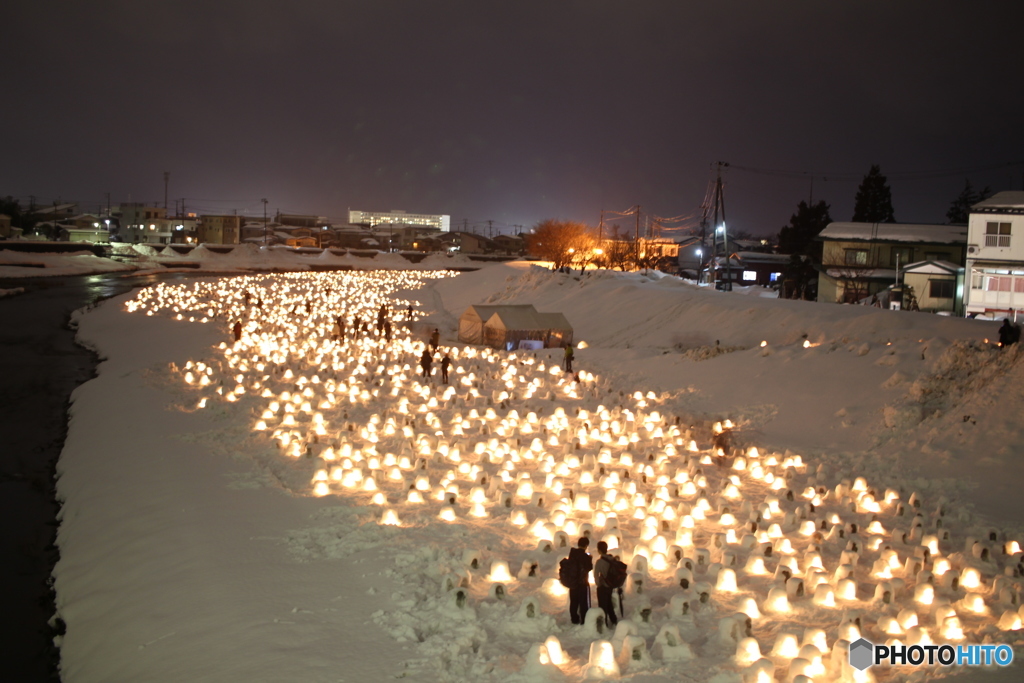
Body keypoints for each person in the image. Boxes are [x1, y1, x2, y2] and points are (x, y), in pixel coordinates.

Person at [566, 537, 593, 625]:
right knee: (583, 602)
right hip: (582, 583)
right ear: (586, 546)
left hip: (573, 582)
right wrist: (590, 559)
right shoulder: (585, 557)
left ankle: (574, 619)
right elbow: (589, 568)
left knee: (573, 601)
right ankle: (584, 620)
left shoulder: (572, 554)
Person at [592, 541, 619, 627]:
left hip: (603, 585)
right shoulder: (612, 559)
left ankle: (604, 622)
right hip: (610, 585)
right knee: (609, 603)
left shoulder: (600, 562)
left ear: (599, 550)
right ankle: (613, 619)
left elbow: (596, 575)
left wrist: (598, 584)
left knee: (603, 605)